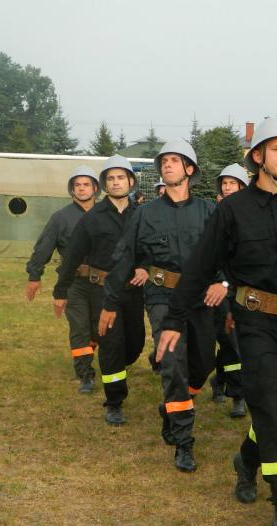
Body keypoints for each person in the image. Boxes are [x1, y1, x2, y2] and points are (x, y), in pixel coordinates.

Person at [155, 116, 277, 526]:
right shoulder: (232, 210)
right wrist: (174, 320)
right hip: (254, 325)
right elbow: (199, 267)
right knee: (272, 406)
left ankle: (246, 461)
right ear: (258, 156)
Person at [99, 140, 218, 472]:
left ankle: (171, 407)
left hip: (200, 299)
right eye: (164, 161)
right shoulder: (145, 214)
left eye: (174, 160)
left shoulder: (209, 211)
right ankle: (183, 440)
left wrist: (222, 283)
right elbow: (125, 257)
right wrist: (110, 302)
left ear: (189, 169)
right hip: (162, 298)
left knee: (204, 362)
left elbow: (227, 252)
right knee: (174, 364)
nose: (167, 165)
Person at [53, 155, 146, 425]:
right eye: (111, 179)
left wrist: (144, 266)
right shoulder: (93, 218)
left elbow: (149, 247)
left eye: (121, 178)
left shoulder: (142, 215)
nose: (116, 183)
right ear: (104, 184)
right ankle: (114, 402)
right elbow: (72, 256)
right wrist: (60, 291)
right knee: (111, 345)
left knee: (135, 343)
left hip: (132, 292)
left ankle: (117, 365)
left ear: (131, 181)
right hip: (102, 292)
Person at [25, 166, 99, 393]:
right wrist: (34, 275)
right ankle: (85, 374)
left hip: (103, 282)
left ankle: (95, 357)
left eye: (86, 184)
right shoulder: (60, 218)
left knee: (99, 329)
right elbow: (44, 247)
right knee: (79, 328)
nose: (82, 189)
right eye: (77, 185)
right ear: (72, 190)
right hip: (74, 282)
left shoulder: (106, 214)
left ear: (95, 188)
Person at [210, 163, 249, 419]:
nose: (227, 187)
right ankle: (238, 395)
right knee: (230, 341)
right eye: (224, 183)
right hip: (222, 290)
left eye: (232, 183)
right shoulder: (214, 215)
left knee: (237, 343)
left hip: (246, 290)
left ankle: (220, 379)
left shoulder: (251, 216)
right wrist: (223, 284)